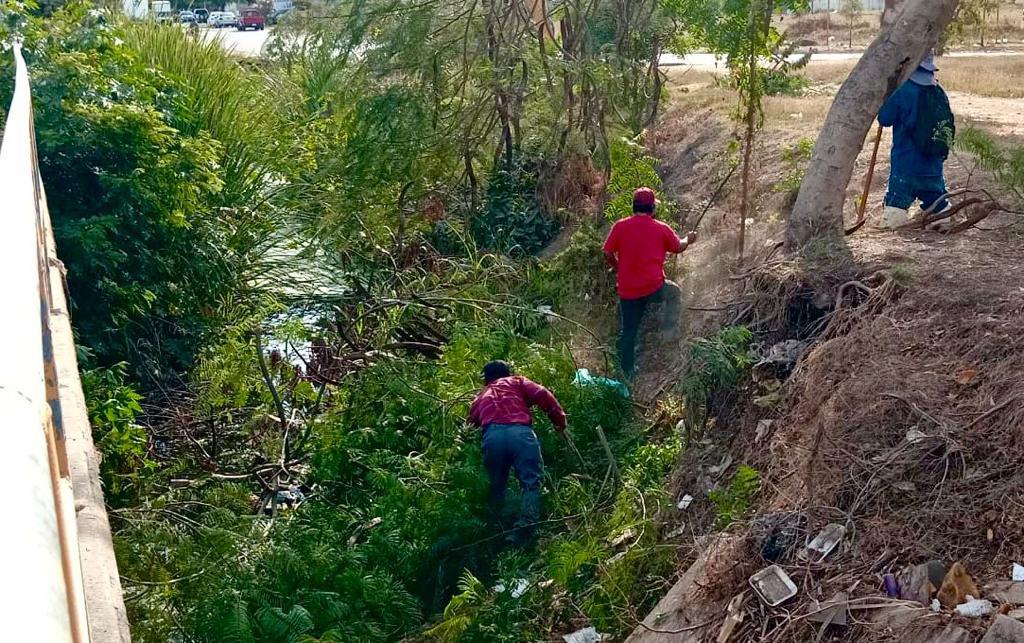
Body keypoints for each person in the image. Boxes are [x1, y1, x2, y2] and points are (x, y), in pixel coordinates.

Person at [467, 360, 567, 545]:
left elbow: (470, 424)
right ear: (508, 372)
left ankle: (494, 529)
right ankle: (525, 529)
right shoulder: (517, 382)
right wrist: (559, 421)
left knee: (496, 484)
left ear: (486, 379)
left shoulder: (481, 396)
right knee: (530, 482)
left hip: (492, 437)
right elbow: (543, 395)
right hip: (520, 433)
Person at [602, 187, 697, 379]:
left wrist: (619, 267)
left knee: (628, 330)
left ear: (633, 207)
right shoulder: (661, 228)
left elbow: (606, 252)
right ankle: (669, 333)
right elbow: (679, 246)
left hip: (628, 291)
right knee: (674, 293)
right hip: (653, 288)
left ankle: (626, 370)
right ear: (652, 208)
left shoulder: (620, 227)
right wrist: (689, 238)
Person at [877, 53, 956, 229]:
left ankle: (891, 223)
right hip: (933, 166)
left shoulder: (904, 90)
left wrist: (888, 95)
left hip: (905, 164)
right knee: (937, 199)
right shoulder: (938, 91)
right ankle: (942, 220)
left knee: (896, 204)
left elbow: (884, 118)